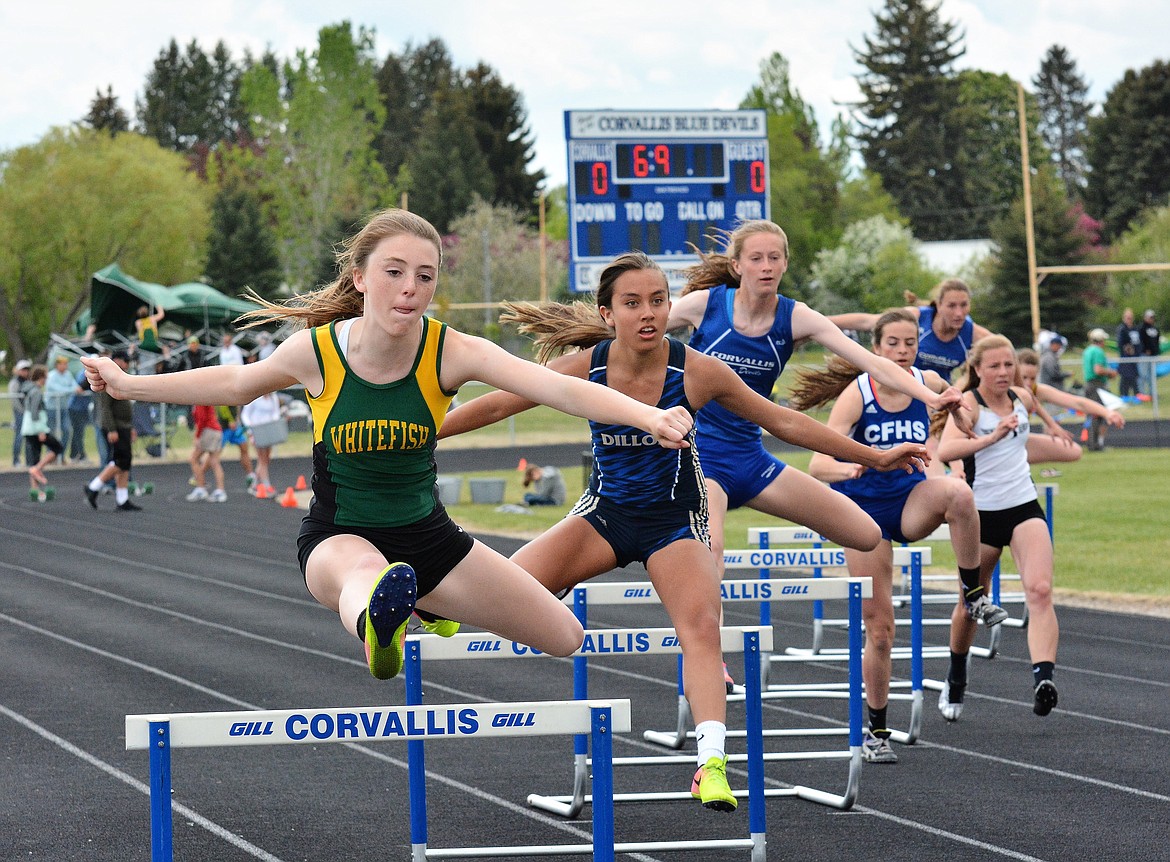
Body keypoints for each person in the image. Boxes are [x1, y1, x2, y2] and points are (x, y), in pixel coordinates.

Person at [81, 208, 694, 689]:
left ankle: (414, 604)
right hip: (339, 537)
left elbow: (560, 390)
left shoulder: (451, 350)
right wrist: (129, 383)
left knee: (564, 635)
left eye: (425, 277)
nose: (409, 289)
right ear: (361, 278)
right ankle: (381, 626)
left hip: (428, 539)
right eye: (394, 272)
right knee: (366, 582)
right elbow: (235, 384)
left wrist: (650, 417)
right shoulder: (317, 351)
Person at [439, 252, 928, 808]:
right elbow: (499, 405)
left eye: (657, 301)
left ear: (670, 308)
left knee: (707, 624)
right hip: (606, 514)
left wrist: (876, 456)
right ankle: (431, 614)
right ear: (608, 314)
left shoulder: (695, 369)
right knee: (508, 583)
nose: (648, 314)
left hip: (675, 520)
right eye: (632, 303)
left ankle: (711, 763)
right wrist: (423, 434)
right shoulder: (584, 367)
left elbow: (784, 421)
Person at [792, 308, 1004, 763]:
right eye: (894, 344)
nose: (904, 351)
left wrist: (962, 412)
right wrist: (852, 464)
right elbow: (816, 464)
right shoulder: (858, 393)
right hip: (862, 515)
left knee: (959, 495)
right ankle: (877, 731)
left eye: (910, 343)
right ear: (876, 348)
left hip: (909, 505)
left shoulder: (923, 382)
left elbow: (955, 397)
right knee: (881, 631)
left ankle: (974, 594)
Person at [937, 335, 1060, 719]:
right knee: (969, 604)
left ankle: (1043, 679)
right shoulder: (969, 404)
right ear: (977, 370)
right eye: (995, 366)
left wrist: (1058, 431)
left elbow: (1038, 414)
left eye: (1009, 364)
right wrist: (993, 436)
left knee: (1039, 590)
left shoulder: (1022, 398)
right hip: (981, 516)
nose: (1005, 372)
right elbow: (946, 450)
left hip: (1023, 505)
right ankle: (956, 675)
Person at [1016, 348, 1125, 470]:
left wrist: (1107, 413)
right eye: (1023, 377)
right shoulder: (1004, 391)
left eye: (1032, 378)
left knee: (1074, 451)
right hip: (998, 444)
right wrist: (1052, 425)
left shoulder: (1037, 390)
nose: (1028, 383)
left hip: (1018, 442)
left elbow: (1077, 402)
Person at [83, 350, 142, 512]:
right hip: (115, 426)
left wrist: (131, 428)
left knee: (124, 461)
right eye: (125, 361)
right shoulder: (108, 377)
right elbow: (105, 407)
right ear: (117, 360)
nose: (127, 365)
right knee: (120, 460)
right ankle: (93, 487)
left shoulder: (119, 378)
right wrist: (111, 429)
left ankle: (122, 499)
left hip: (123, 425)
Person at [22, 365, 66, 495]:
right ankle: (38, 468)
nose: (46, 380)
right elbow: (35, 412)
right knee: (57, 447)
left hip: (28, 428)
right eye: (45, 377)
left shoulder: (29, 389)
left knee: (35, 457)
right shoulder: (35, 391)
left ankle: (35, 490)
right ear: (41, 377)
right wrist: (41, 430)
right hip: (36, 428)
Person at [240, 386, 283, 497]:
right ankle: (266, 485)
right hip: (257, 430)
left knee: (266, 458)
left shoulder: (273, 398)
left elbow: (275, 413)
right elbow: (245, 415)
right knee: (262, 458)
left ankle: (254, 484)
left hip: (268, 430)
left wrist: (274, 422)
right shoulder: (255, 399)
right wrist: (250, 428)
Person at [1082, 328, 1118, 451]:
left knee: (1092, 415)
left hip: (1089, 385)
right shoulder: (1098, 351)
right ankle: (1096, 444)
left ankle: (1092, 443)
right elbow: (1098, 369)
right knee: (1098, 414)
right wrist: (1110, 372)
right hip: (1097, 386)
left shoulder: (1087, 351)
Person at [187, 403, 228, 502]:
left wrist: (197, 436)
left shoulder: (200, 400)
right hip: (215, 430)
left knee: (193, 459)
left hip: (208, 430)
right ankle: (220, 490)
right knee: (214, 462)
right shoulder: (203, 400)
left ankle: (201, 487)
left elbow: (202, 419)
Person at [45, 355, 76, 459]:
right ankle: (50, 456)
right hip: (52, 408)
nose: (65, 366)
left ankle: (61, 455)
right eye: (62, 364)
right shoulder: (51, 376)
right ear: (57, 365)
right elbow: (57, 390)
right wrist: (70, 390)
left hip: (63, 407)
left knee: (67, 430)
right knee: (51, 432)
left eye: (66, 364)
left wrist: (69, 390)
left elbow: (75, 386)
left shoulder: (68, 374)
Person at [9, 358, 33, 466]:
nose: (25, 372)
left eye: (27, 369)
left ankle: (29, 461)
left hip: (28, 412)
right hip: (20, 413)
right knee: (19, 436)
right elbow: (14, 399)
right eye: (23, 370)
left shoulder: (28, 382)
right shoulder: (15, 382)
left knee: (29, 437)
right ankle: (16, 460)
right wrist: (22, 411)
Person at [66, 366, 93, 463]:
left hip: (81, 407)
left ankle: (74, 455)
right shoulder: (84, 374)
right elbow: (80, 388)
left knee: (78, 432)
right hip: (75, 408)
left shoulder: (85, 373)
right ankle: (81, 455)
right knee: (78, 432)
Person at [1115, 308, 1142, 399]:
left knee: (1134, 376)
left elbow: (1139, 342)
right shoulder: (1122, 329)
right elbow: (1120, 343)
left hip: (1135, 357)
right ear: (1124, 318)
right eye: (1127, 317)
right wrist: (1127, 348)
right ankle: (1124, 394)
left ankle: (1136, 394)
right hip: (1126, 358)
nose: (1129, 319)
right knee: (1125, 376)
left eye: (1130, 317)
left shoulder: (1135, 329)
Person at [1139, 309, 1160, 397]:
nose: (1151, 319)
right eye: (1149, 317)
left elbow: (1157, 340)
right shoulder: (1142, 328)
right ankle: (1142, 393)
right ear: (1145, 318)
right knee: (1143, 374)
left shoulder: (1155, 329)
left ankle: (1152, 393)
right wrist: (1145, 349)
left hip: (1153, 356)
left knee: (1152, 376)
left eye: (1152, 317)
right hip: (1144, 355)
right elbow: (1140, 340)